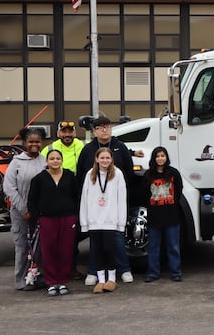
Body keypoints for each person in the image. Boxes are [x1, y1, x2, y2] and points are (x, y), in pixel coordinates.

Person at [76, 116, 136, 286]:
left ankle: (124, 270)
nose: (104, 130)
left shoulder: (120, 147)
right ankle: (93, 272)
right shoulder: (88, 150)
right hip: (95, 208)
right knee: (95, 242)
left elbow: (129, 173)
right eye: (100, 127)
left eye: (107, 127)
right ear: (94, 131)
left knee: (117, 240)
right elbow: (81, 176)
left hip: (113, 206)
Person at [27, 149, 79, 296]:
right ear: (47, 161)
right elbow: (32, 201)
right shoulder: (39, 179)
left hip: (67, 219)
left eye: (58, 158)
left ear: (62, 161)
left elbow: (77, 197)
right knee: (49, 251)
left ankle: (62, 281)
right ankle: (51, 282)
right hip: (47, 219)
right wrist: (37, 217)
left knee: (65, 250)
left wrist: (75, 215)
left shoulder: (70, 177)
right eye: (52, 158)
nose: (55, 161)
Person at [3, 127, 48, 291]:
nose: (34, 144)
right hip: (21, 213)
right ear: (25, 143)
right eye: (31, 142)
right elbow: (9, 188)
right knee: (22, 247)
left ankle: (38, 277)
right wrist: (24, 210)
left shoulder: (45, 161)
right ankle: (20, 280)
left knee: (40, 247)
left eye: (37, 142)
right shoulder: (16, 162)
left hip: (41, 212)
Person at [42, 119, 85, 281]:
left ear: (74, 133)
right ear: (58, 133)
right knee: (52, 239)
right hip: (54, 195)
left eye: (70, 132)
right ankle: (51, 273)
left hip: (74, 194)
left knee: (71, 237)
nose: (67, 135)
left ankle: (70, 269)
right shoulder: (49, 149)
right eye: (64, 132)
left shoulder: (81, 146)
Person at [80, 147, 127, 293]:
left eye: (108, 158)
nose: (105, 160)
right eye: (102, 158)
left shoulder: (117, 174)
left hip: (110, 220)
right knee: (97, 250)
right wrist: (84, 221)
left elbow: (122, 199)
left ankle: (111, 279)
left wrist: (121, 222)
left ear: (112, 159)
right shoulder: (90, 174)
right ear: (96, 159)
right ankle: (101, 280)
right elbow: (84, 198)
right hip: (94, 220)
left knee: (109, 249)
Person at [142, 146, 183, 283]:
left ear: (166, 158)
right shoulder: (148, 175)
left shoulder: (173, 173)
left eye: (162, 156)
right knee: (153, 247)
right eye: (157, 156)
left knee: (173, 246)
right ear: (154, 158)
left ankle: (176, 272)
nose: (160, 158)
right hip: (154, 216)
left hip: (171, 216)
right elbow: (145, 194)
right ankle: (153, 272)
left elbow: (178, 192)